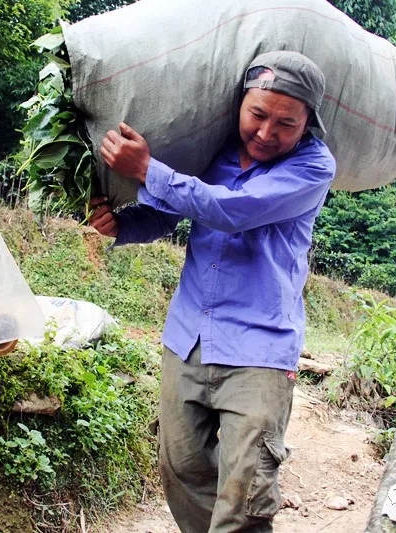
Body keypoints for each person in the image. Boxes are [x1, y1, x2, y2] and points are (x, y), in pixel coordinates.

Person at [88, 51, 336, 533]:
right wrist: (122, 223)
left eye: (286, 123)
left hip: (259, 350)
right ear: (239, 104)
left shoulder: (313, 166)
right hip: (188, 338)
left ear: (308, 123)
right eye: (257, 115)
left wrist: (148, 170)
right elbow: (169, 213)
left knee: (245, 495)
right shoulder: (211, 151)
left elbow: (231, 210)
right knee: (182, 470)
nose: (266, 132)